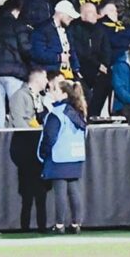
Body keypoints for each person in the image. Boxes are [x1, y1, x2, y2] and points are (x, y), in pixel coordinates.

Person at [38, 78, 89, 234]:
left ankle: (59, 225)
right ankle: (76, 224)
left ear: (62, 93)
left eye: (53, 90)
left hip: (59, 156)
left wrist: (43, 153)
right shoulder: (78, 112)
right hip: (75, 156)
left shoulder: (57, 113)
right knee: (74, 190)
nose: (50, 92)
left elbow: (50, 137)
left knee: (60, 191)